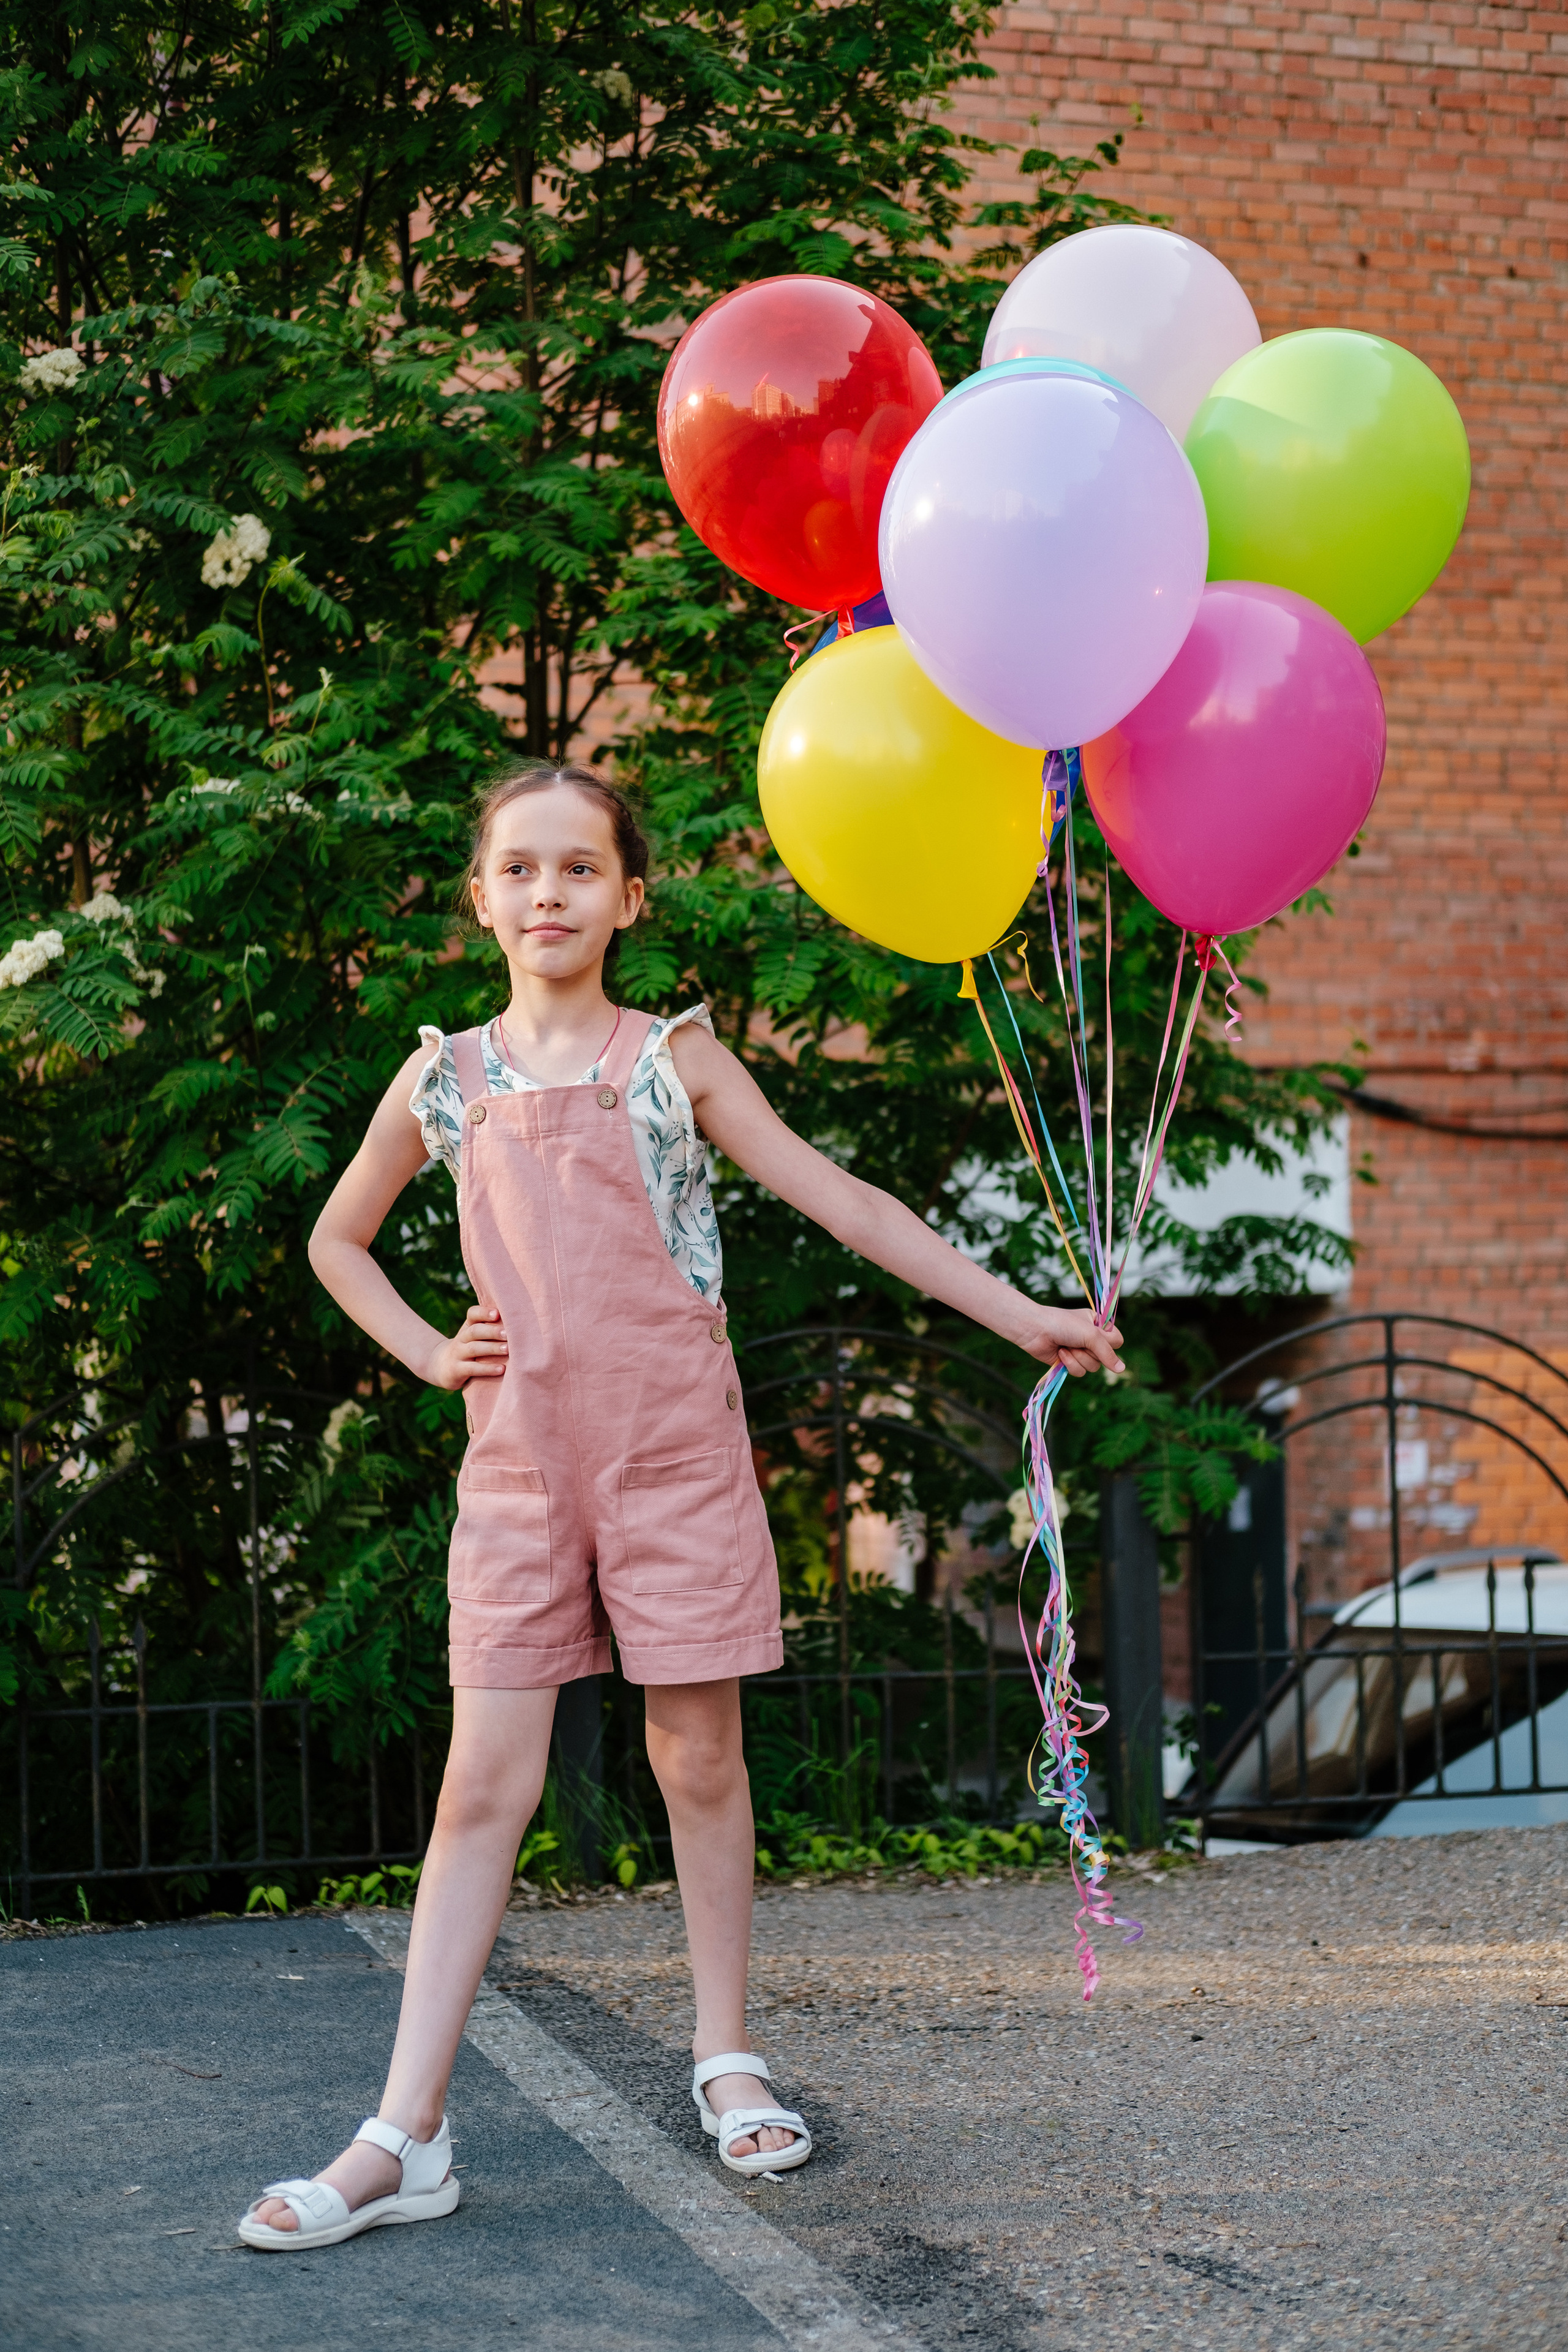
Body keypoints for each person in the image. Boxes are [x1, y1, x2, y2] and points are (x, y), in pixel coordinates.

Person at [238, 757, 1121, 2250]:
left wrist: (1013, 1308)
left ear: (628, 897)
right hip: (518, 1468)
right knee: (479, 1788)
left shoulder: (676, 1060)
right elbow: (340, 1240)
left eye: (579, 868)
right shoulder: (440, 1076)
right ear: (480, 898)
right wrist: (429, 1352)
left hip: (673, 1458)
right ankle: (405, 2134)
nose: (547, 893)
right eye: (517, 868)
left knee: (695, 1757)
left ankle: (725, 2059)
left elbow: (847, 1202)